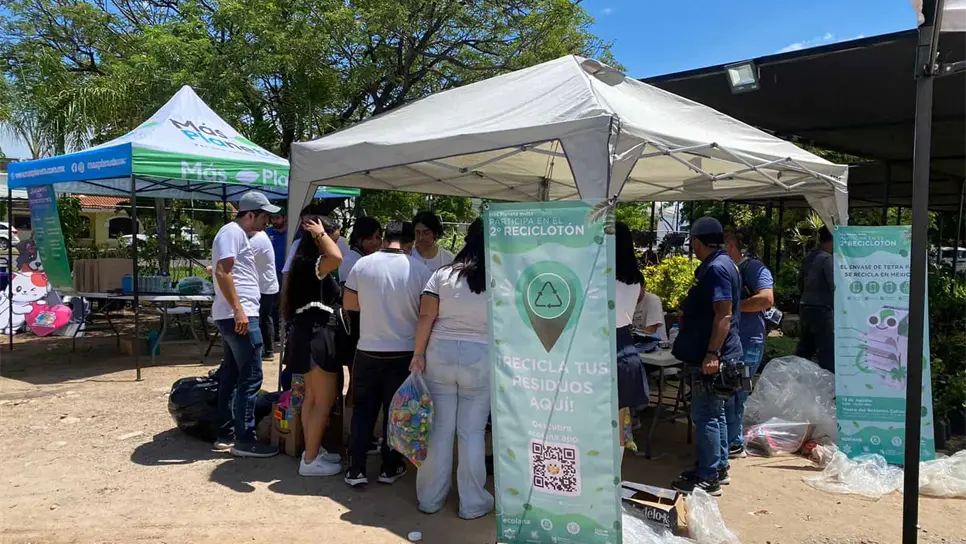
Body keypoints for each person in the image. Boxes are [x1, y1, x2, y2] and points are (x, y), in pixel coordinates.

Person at [410, 219, 492, 519]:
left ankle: (430, 498)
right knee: (471, 433)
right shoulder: (500, 278)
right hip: (481, 357)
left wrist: (418, 354)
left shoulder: (442, 275)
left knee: (439, 430)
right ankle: (472, 503)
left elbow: (425, 317)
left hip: (440, 354)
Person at [343, 221, 433, 487]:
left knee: (363, 411)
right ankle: (389, 467)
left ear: (383, 239)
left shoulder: (363, 264)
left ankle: (356, 469)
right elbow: (426, 312)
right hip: (404, 351)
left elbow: (350, 304)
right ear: (410, 244)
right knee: (398, 413)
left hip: (368, 348)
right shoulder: (420, 270)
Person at [670, 216, 742, 496]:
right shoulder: (726, 264)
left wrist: (712, 354)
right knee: (716, 412)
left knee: (705, 415)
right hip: (722, 352)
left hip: (714, 355)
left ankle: (708, 478)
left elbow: (723, 314)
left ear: (697, 242)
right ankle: (718, 468)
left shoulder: (716, 268)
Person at [212, 191, 280, 458]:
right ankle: (245, 439)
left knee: (232, 374)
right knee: (251, 376)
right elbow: (223, 271)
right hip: (240, 316)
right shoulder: (232, 232)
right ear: (250, 214)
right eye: (264, 217)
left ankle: (226, 433)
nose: (267, 222)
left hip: (235, 314)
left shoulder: (236, 234)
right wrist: (239, 310)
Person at [280, 215, 345, 477]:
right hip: (317, 334)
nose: (334, 242)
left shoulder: (301, 264)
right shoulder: (314, 263)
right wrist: (320, 233)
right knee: (323, 400)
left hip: (306, 333)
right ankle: (309, 460)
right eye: (332, 237)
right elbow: (337, 257)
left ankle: (312, 451)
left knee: (311, 398)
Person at [723, 228, 774, 458]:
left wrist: (732, 306)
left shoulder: (752, 268)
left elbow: (766, 299)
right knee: (729, 393)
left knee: (737, 394)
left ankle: (734, 443)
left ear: (731, 246)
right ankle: (730, 440)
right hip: (734, 341)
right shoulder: (732, 269)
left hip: (748, 343)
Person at [613, 222, 649, 448]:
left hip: (604, 348)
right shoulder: (636, 280)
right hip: (626, 350)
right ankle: (616, 466)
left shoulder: (601, 277)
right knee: (619, 423)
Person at [797, 226, 835, 373]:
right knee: (827, 350)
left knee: (805, 348)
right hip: (822, 308)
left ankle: (798, 376)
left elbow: (800, 281)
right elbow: (833, 284)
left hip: (805, 306)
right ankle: (829, 381)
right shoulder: (827, 259)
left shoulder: (809, 257)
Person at [250, 229, 280, 361]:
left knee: (262, 318)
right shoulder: (260, 237)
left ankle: (267, 350)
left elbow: (240, 258)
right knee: (265, 318)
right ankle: (267, 350)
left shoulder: (258, 239)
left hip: (264, 287)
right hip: (265, 285)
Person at [265, 208, 288, 343]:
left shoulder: (293, 233)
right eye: (272, 218)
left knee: (285, 302)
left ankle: (286, 331)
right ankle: (275, 332)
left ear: (284, 218)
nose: (274, 221)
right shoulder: (267, 233)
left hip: (286, 272)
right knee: (273, 304)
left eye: (277, 218)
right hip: (271, 273)